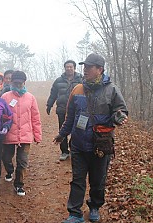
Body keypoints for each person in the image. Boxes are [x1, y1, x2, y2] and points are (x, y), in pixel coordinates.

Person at [53, 53, 128, 223]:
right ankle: (75, 213)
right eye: (84, 66)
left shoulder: (112, 90)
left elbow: (122, 111)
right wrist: (62, 133)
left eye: (89, 67)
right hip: (79, 145)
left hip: (101, 145)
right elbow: (70, 117)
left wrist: (119, 117)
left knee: (98, 180)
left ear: (99, 70)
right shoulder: (77, 89)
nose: (84, 70)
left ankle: (94, 206)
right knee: (77, 180)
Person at [1, 70, 42, 196]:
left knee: (22, 161)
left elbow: (35, 117)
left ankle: (19, 184)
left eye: (20, 83)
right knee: (6, 158)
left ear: (24, 82)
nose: (18, 85)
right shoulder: (5, 97)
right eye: (15, 82)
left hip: (25, 135)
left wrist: (37, 135)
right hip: (8, 134)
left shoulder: (30, 98)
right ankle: (9, 171)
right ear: (12, 82)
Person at [46, 60, 82, 161]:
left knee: (77, 130)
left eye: (71, 67)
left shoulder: (81, 79)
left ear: (74, 68)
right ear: (64, 68)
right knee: (63, 130)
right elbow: (53, 93)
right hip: (62, 109)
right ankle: (64, 151)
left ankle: (74, 149)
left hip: (77, 110)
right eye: (67, 67)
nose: (69, 68)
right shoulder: (58, 81)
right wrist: (49, 104)